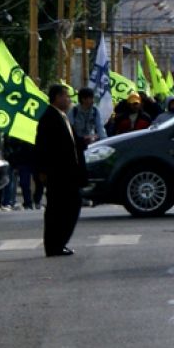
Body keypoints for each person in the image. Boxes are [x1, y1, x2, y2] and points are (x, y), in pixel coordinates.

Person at [34, 84, 86, 257]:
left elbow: (71, 144)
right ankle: (54, 245)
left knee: (70, 206)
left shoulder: (62, 116)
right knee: (58, 210)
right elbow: (42, 146)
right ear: (57, 97)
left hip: (68, 173)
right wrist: (42, 170)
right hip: (57, 173)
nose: (69, 100)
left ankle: (59, 243)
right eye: (66, 96)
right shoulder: (49, 118)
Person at [68, 87, 107, 151]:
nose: (92, 100)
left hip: (91, 145)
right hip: (77, 145)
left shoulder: (95, 111)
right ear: (83, 99)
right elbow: (69, 129)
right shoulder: (73, 111)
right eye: (91, 98)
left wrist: (105, 141)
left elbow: (100, 127)